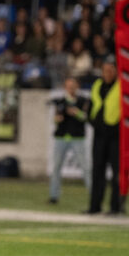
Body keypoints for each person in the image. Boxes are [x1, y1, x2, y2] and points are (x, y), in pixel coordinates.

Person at [86, 57, 122, 215]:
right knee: (97, 171)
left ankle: (116, 207)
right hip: (99, 134)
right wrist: (91, 120)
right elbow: (92, 105)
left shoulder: (121, 87)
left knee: (116, 173)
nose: (107, 73)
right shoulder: (97, 85)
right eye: (104, 70)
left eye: (110, 70)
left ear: (115, 71)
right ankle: (95, 206)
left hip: (115, 135)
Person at [49, 76, 90, 204]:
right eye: (68, 86)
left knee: (86, 167)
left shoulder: (83, 100)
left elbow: (85, 117)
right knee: (56, 167)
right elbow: (55, 119)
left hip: (77, 137)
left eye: (73, 86)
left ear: (77, 87)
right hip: (61, 137)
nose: (71, 88)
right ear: (65, 87)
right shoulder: (60, 101)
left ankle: (94, 196)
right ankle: (54, 196)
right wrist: (57, 119)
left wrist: (76, 112)